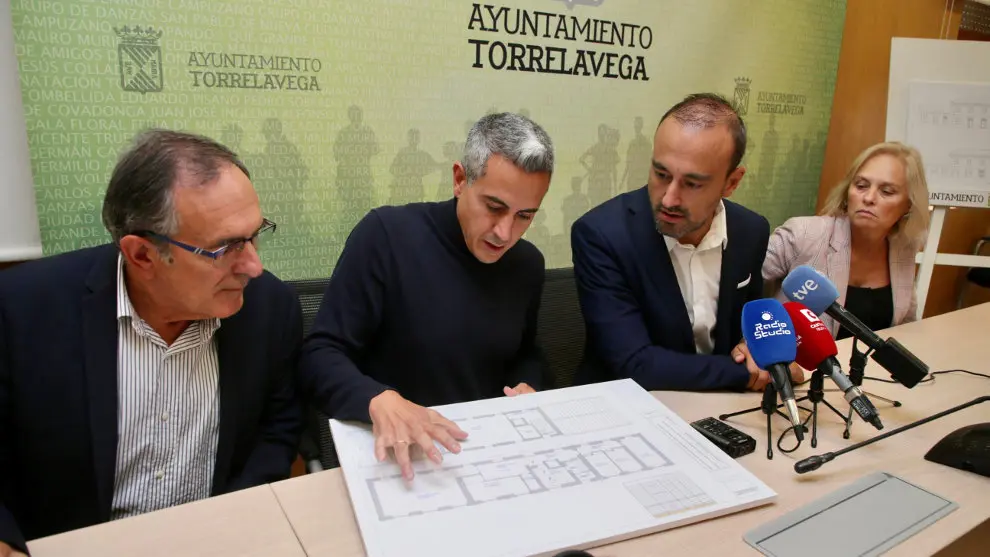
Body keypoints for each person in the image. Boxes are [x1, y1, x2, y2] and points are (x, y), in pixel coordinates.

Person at [0, 130, 303, 555]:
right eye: (226, 247)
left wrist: (234, 525)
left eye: (255, 235)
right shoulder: (21, 312)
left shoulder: (271, 308)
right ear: (142, 256)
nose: (254, 266)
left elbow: (278, 429)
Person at [299, 113, 554, 481]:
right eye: (494, 207)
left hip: (487, 456)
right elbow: (320, 357)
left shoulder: (527, 264)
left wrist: (529, 386)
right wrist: (378, 399)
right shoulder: (386, 236)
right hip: (399, 458)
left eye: (525, 216)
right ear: (459, 179)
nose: (505, 232)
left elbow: (525, 352)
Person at [572, 93, 799, 392]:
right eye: (661, 174)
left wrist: (757, 348)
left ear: (732, 182)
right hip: (630, 407)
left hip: (723, 408)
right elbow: (635, 364)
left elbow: (749, 326)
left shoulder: (751, 230)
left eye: (692, 184)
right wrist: (747, 372)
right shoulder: (602, 234)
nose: (669, 198)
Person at [764, 141, 930, 338]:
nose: (868, 198)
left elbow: (906, 322)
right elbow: (735, 284)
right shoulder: (803, 234)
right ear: (847, 192)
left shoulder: (905, 245)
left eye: (886, 191)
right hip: (797, 365)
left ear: (908, 205)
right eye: (861, 186)